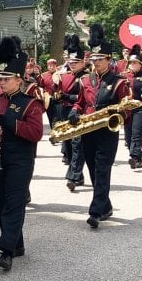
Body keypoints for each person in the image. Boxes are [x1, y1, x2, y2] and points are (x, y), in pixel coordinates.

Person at [0, 37, 44, 271]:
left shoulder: (30, 103)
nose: (1, 82)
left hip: (20, 158)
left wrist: (10, 124)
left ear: (19, 80)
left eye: (6, 79)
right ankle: (17, 244)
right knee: (1, 201)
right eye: (0, 78)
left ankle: (6, 250)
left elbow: (35, 133)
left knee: (14, 203)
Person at [68, 25, 131, 228]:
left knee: (103, 169)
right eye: (93, 60)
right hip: (88, 129)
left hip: (107, 130)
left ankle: (95, 212)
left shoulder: (119, 82)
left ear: (109, 60)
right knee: (94, 170)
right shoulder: (86, 79)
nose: (96, 63)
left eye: (100, 60)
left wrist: (118, 114)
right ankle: (106, 206)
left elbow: (126, 107)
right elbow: (80, 102)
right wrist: (75, 112)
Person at [59, 36, 87, 189]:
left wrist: (69, 96)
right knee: (68, 143)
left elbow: (88, 97)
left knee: (78, 143)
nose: (72, 64)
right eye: (71, 61)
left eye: (76, 62)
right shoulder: (66, 75)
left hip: (79, 111)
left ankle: (74, 175)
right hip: (65, 110)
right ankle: (78, 173)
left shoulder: (88, 76)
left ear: (83, 62)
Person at [124, 45, 142, 169]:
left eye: (135, 63)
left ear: (141, 64)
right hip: (128, 109)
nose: (132, 65)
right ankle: (137, 157)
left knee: (137, 133)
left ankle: (134, 156)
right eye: (131, 62)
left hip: (141, 108)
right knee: (128, 135)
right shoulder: (125, 76)